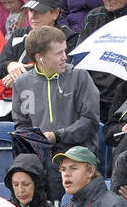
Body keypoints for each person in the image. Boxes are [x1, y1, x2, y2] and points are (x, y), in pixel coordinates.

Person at [11, 26, 100, 158]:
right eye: (58, 53)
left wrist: (57, 136)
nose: (65, 57)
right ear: (39, 58)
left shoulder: (80, 76)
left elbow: (90, 121)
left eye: (65, 51)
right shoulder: (22, 84)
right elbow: (23, 126)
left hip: (78, 156)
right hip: (42, 157)